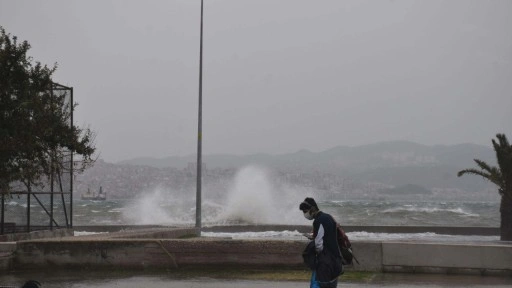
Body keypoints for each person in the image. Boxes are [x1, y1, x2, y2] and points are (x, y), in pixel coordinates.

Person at [300, 197, 342, 288]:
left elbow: (319, 244)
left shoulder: (318, 221)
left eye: (305, 211)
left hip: (325, 262)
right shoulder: (328, 217)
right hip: (336, 259)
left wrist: (315, 252)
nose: (305, 214)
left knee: (317, 284)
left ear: (313, 209)